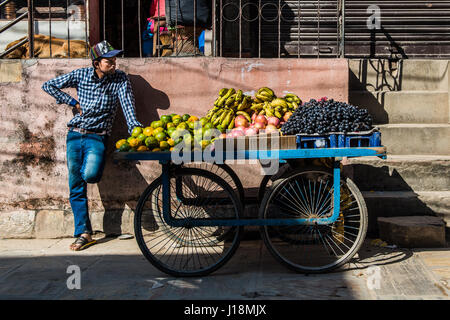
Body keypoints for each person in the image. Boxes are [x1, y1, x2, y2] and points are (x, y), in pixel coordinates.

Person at [42, 40, 143, 251]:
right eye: (109, 60)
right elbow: (48, 85)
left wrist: (136, 130)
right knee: (76, 186)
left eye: (115, 60)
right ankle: (83, 233)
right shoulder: (80, 75)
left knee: (90, 175)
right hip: (74, 135)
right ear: (96, 63)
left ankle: (85, 231)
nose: (114, 63)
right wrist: (72, 103)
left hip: (97, 137)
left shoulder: (120, 79)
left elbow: (127, 105)